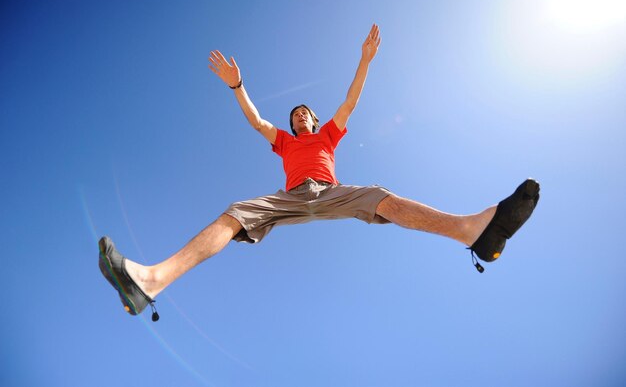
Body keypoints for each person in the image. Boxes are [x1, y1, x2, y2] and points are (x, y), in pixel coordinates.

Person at [99, 24, 540, 321]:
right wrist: (238, 86)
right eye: (295, 116)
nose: (300, 118)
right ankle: (150, 280)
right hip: (290, 197)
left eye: (304, 113)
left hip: (332, 192)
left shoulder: (328, 134)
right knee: (236, 213)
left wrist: (365, 61)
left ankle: (470, 231)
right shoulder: (285, 142)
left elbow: (349, 102)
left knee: (379, 196)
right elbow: (256, 121)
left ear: (313, 119)